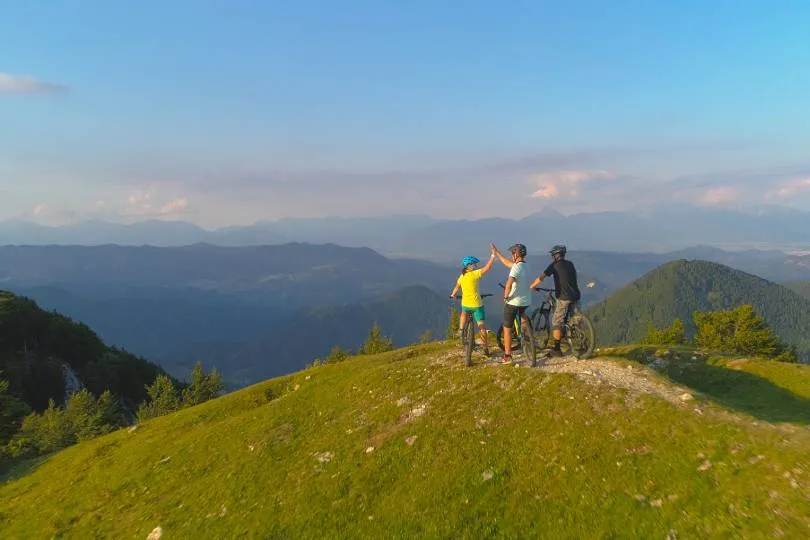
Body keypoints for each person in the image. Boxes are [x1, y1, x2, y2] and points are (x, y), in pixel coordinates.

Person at [530, 244, 581, 356]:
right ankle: (581, 344)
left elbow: (541, 278)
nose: (552, 257)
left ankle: (557, 349)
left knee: (556, 322)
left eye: (553, 255)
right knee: (575, 319)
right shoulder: (570, 264)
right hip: (576, 295)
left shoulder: (554, 266)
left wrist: (532, 286)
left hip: (564, 297)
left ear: (556, 256)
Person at [449, 247, 496, 356]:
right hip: (477, 304)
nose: (475, 266)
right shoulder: (475, 274)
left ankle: (461, 330)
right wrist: (493, 256)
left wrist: (453, 294)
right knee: (481, 326)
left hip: (466, 303)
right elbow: (488, 267)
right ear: (469, 266)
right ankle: (485, 348)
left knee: (463, 313)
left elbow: (457, 287)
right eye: (474, 265)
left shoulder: (462, 276)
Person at [490, 242, 531, 364]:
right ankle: (528, 339)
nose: (512, 255)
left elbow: (508, 283)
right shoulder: (526, 266)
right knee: (523, 317)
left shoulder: (516, 268)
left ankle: (507, 356)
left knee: (507, 328)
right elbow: (507, 263)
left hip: (514, 301)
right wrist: (497, 253)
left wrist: (505, 297)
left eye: (513, 253)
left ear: (516, 254)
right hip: (526, 300)